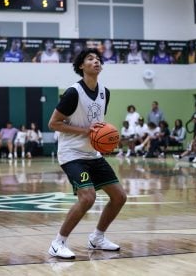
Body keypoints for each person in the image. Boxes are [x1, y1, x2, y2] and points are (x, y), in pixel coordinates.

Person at [47, 48, 126, 259]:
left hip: (93, 154)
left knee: (119, 197)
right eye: (90, 59)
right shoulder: (73, 93)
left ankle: (97, 238)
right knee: (88, 197)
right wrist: (85, 132)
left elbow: (97, 125)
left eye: (98, 59)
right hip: (72, 154)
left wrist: (105, 138)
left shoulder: (104, 92)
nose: (96, 61)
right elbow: (53, 123)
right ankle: (58, 243)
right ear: (81, 66)